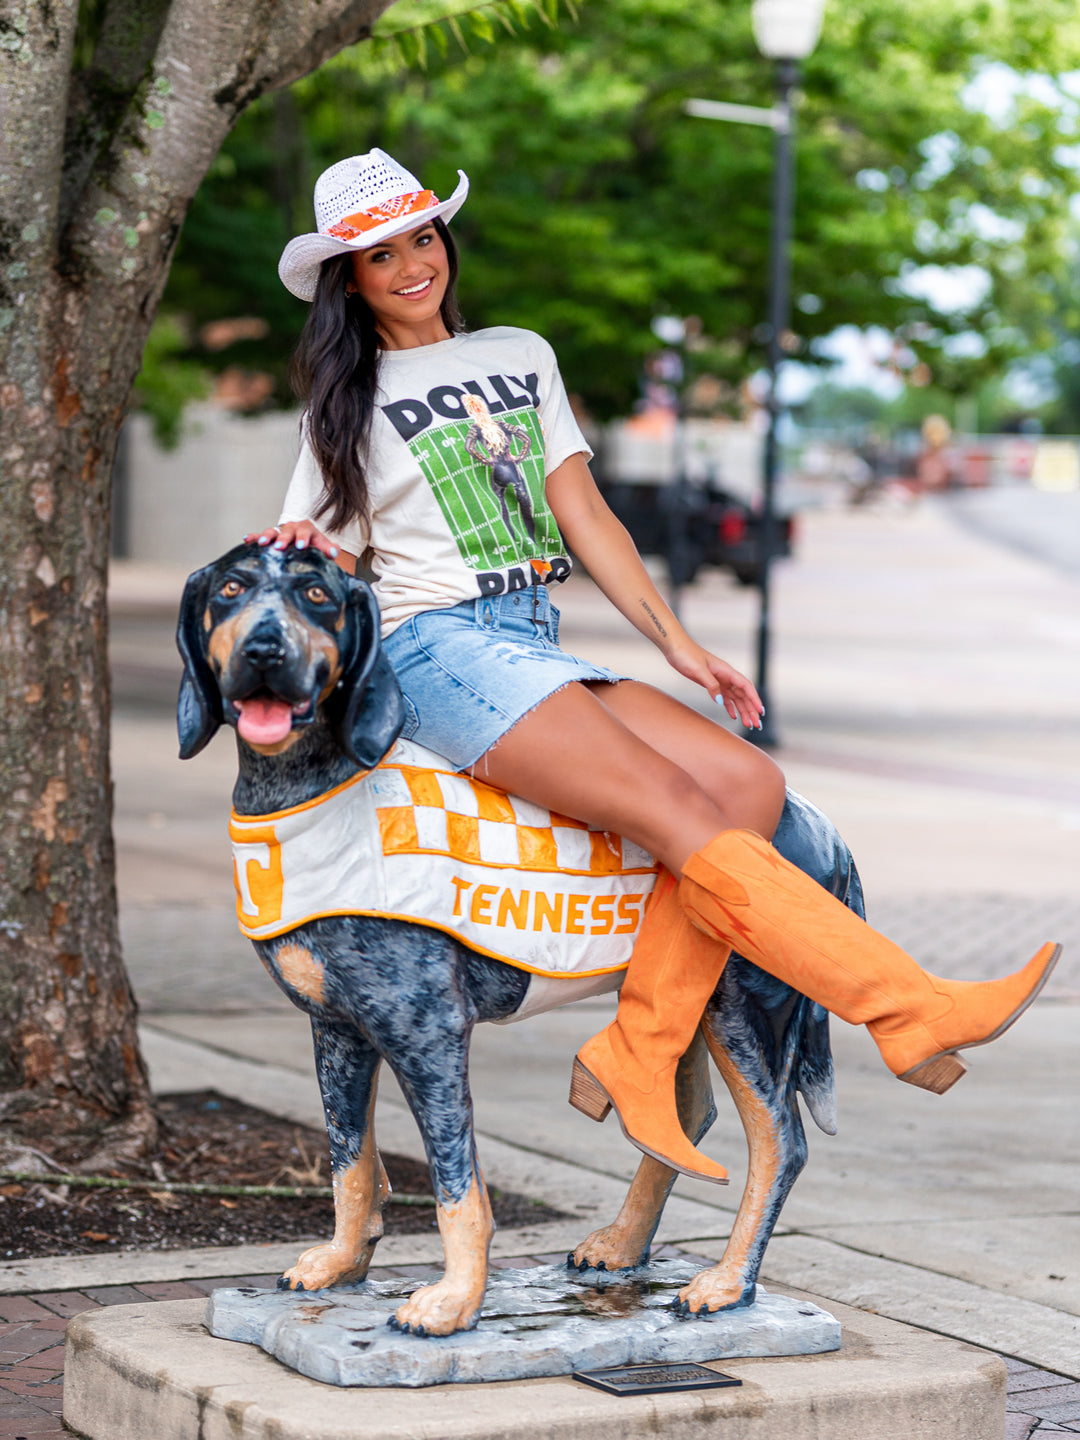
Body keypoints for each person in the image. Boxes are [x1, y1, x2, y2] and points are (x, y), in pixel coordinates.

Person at [250, 150, 1058, 1185]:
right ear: (346, 279)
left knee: (748, 785)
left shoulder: (520, 355)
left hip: (528, 635)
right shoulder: (344, 405)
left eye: (422, 238)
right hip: (434, 646)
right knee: (680, 815)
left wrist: (678, 645)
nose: (412, 265)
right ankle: (910, 1008)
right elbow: (312, 557)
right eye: (379, 255)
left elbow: (584, 513)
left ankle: (639, 1048)